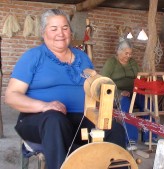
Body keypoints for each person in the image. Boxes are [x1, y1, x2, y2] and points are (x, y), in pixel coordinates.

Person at [4, 9, 126, 169]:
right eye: (53, 28)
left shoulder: (82, 58)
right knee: (55, 119)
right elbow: (11, 96)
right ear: (43, 32)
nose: (60, 33)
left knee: (114, 129)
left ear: (70, 30)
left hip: (79, 119)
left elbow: (92, 89)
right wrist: (44, 106)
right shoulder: (33, 56)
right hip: (40, 119)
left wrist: (102, 104)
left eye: (65, 28)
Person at [102, 39, 157, 149]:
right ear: (119, 51)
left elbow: (139, 77)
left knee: (148, 104)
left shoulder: (132, 63)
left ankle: (150, 136)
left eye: (130, 53)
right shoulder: (111, 63)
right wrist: (119, 92)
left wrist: (143, 85)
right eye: (126, 53)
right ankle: (130, 139)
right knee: (126, 105)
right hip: (116, 93)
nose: (128, 56)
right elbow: (103, 81)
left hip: (134, 91)